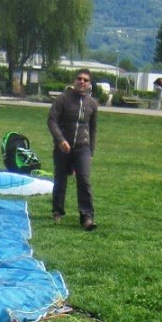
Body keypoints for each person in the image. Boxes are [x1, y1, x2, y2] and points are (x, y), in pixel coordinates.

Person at [47, 68, 98, 230]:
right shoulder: (62, 99)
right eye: (79, 78)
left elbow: (93, 129)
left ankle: (87, 217)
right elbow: (52, 121)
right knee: (60, 179)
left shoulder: (92, 103)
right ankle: (57, 210)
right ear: (74, 81)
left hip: (83, 148)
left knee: (84, 180)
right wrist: (60, 140)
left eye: (85, 80)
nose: (82, 82)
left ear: (89, 83)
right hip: (63, 147)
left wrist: (91, 151)